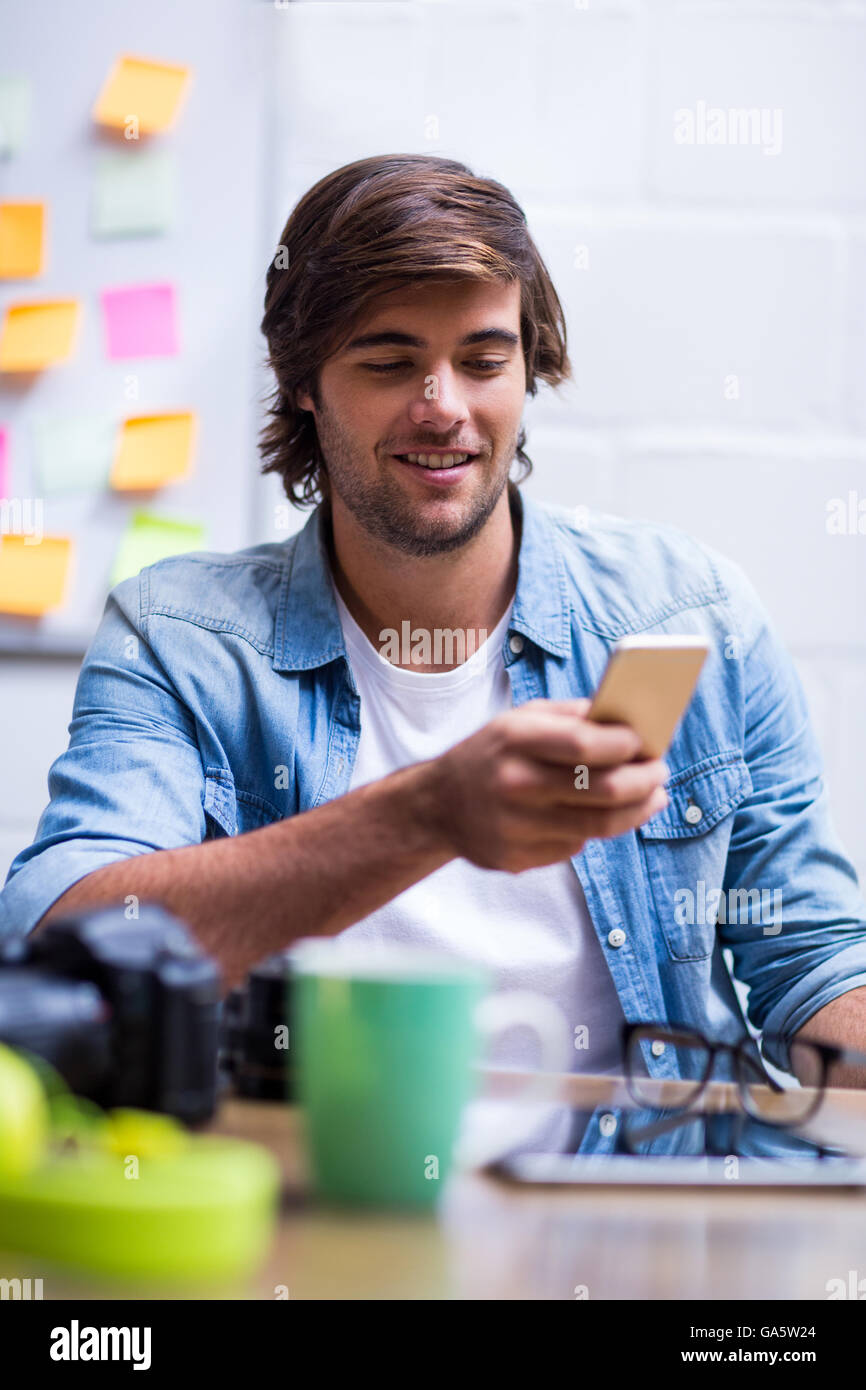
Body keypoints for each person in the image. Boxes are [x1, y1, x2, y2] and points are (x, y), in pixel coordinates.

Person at [3, 154, 866, 1159]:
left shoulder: (691, 613)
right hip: (308, 1207)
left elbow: (813, 963)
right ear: (304, 385)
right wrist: (428, 814)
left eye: (483, 360)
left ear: (530, 368)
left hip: (636, 1204)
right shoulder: (180, 638)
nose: (442, 404)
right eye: (387, 361)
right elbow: (67, 949)